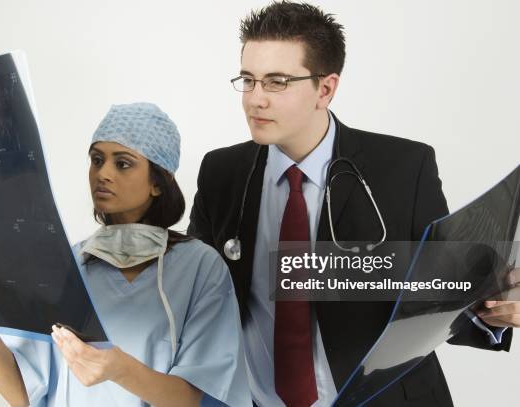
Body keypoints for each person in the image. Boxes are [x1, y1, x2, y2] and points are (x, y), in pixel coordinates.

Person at [188, 2, 518, 406]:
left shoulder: (402, 168)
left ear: (325, 89)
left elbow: (443, 292)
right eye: (248, 79)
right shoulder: (222, 172)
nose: (254, 100)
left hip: (386, 398)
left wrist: (492, 308)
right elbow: (200, 288)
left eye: (276, 82)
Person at [0, 102, 252, 407]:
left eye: (122, 163)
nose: (103, 174)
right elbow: (21, 393)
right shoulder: (63, 267)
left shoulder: (200, 267)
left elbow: (195, 399)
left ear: (158, 182)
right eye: (97, 160)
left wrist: (120, 369)